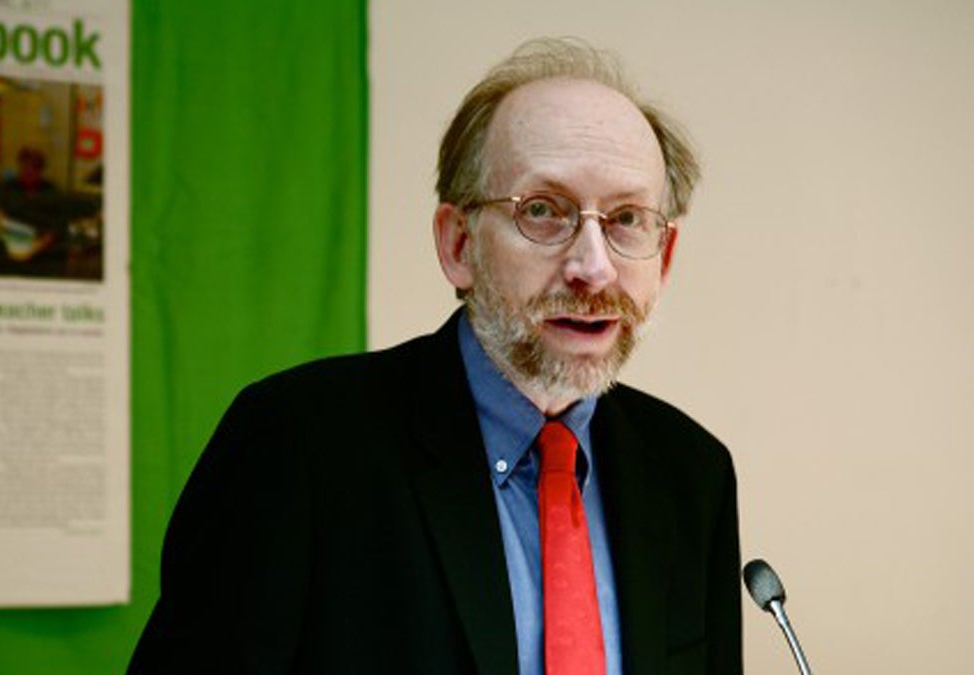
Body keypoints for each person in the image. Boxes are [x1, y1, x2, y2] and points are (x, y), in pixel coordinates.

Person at [129, 37, 742, 675]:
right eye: (543, 211)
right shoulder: (295, 445)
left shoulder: (691, 475)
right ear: (458, 244)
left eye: (626, 220)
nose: (593, 267)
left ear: (664, 259)